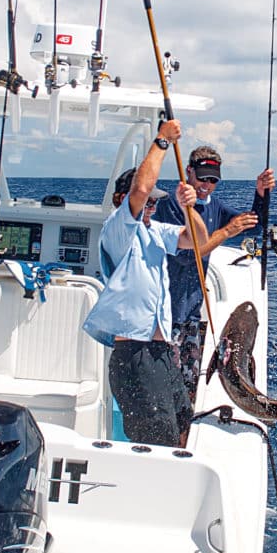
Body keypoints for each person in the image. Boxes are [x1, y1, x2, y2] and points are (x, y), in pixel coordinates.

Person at [82, 118, 208, 447]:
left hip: (162, 353)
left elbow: (198, 240)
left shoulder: (154, 233)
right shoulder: (119, 228)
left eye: (155, 202)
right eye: (147, 202)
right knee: (157, 442)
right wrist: (162, 141)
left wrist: (188, 208)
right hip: (134, 357)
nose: (151, 205)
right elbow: (140, 189)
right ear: (121, 200)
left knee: (183, 424)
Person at [152, 145, 275, 400]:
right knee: (164, 391)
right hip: (163, 319)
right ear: (188, 172)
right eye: (201, 178)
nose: (206, 186)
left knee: (187, 391)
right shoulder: (171, 206)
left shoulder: (214, 206)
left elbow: (255, 227)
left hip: (191, 317)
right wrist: (227, 231)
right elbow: (187, 255)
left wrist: (261, 194)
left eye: (213, 181)